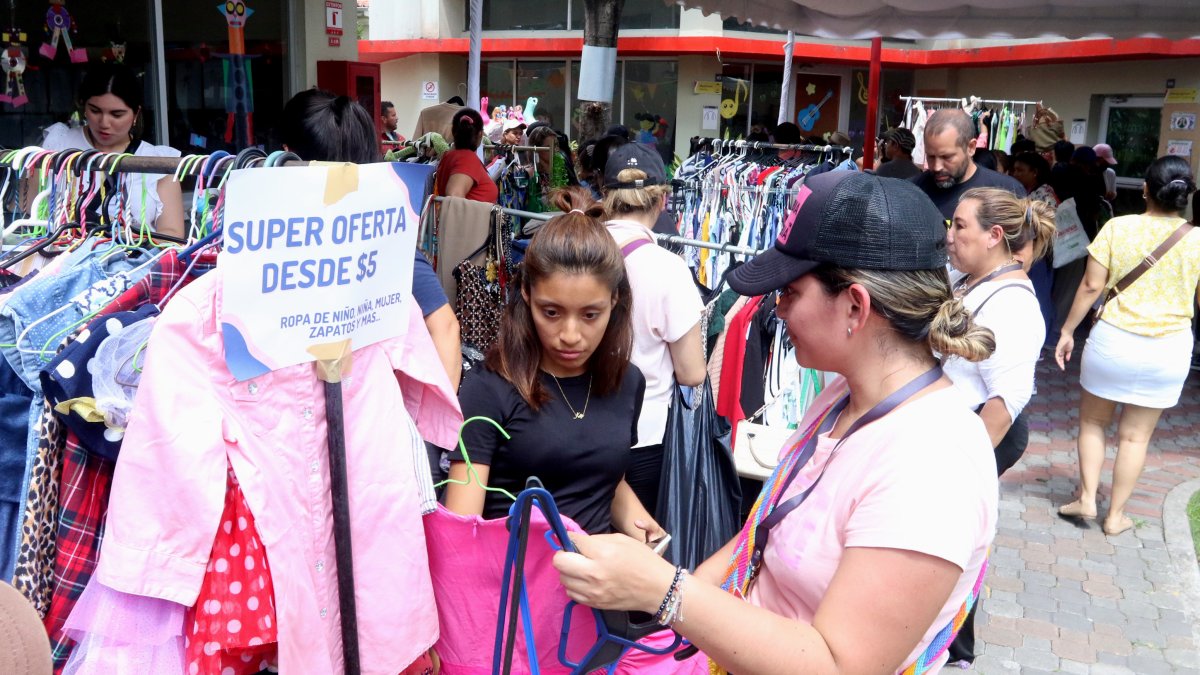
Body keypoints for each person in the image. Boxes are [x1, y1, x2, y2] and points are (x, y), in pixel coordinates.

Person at [553, 172, 998, 675]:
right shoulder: (842, 396)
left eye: (789, 291)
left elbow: (839, 666)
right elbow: (762, 534)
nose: (776, 309)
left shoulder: (933, 466)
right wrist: (678, 604)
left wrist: (664, 591)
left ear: (855, 306)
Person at [446, 187, 664, 540]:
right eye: (551, 312)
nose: (570, 335)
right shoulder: (488, 388)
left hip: (598, 573)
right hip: (514, 574)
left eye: (590, 315)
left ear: (614, 300)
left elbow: (605, 481)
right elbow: (460, 531)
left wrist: (648, 534)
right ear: (527, 294)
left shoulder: (627, 382)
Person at [941, 187, 1056, 667]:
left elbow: (1004, 403)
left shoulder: (1012, 306)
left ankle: (949, 647)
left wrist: (962, 467)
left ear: (993, 236)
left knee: (949, 540)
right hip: (954, 432)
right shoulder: (970, 278)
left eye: (959, 225)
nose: (950, 235)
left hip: (976, 435)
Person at [1054, 156, 1199, 537]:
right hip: (1169, 348)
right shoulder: (1198, 240)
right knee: (1136, 437)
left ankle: (1087, 499)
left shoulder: (1118, 228)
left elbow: (1091, 286)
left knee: (1093, 422)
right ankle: (1116, 516)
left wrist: (1067, 331)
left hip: (1113, 341)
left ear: (1146, 190)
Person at [281, 89, 462, 390]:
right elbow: (444, 327)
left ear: (288, 157)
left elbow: (444, 328)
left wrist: (430, 420)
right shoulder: (382, 239)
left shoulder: (268, 245)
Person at [601, 142, 706, 513]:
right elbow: (692, 373)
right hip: (642, 437)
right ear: (662, 201)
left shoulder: (574, 250)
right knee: (636, 541)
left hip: (564, 426)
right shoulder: (668, 268)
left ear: (606, 196)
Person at [34, 62, 184, 239]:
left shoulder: (159, 162)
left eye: (116, 114)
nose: (104, 123)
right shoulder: (56, 146)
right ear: (83, 106)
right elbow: (30, 215)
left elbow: (173, 235)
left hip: (133, 256)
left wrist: (120, 234)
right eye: (95, 111)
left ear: (136, 114)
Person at [913, 109, 1025, 220]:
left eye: (946, 157)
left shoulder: (1007, 191)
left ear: (971, 148)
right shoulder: (912, 191)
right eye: (931, 157)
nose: (937, 167)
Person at [1011, 151, 1061, 338]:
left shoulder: (1043, 194)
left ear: (1034, 172)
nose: (1015, 174)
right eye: (1014, 170)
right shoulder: (1027, 191)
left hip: (1040, 253)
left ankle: (1039, 339)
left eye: (1020, 170)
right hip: (1032, 250)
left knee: (1038, 294)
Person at [435, 107, 500, 204]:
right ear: (480, 134)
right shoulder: (466, 158)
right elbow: (454, 196)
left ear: (453, 132)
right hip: (470, 214)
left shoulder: (449, 155)